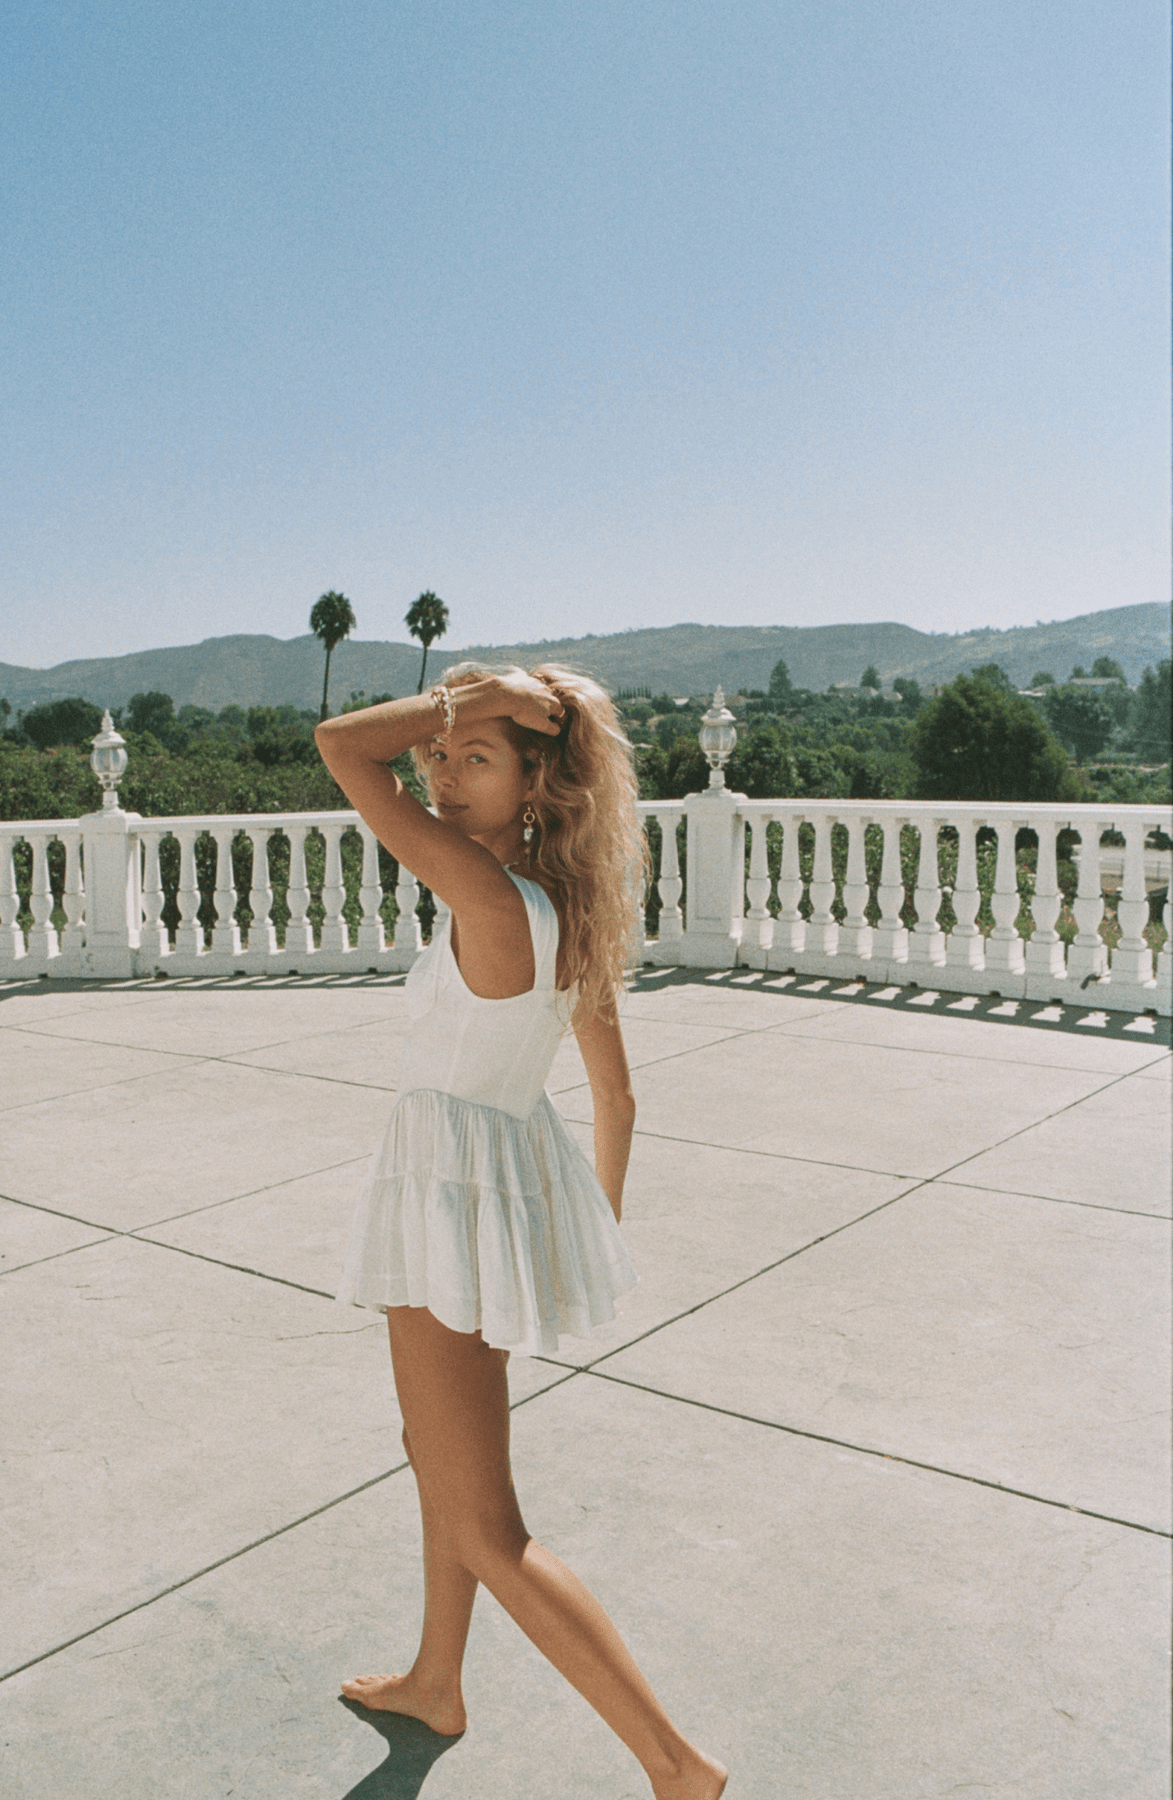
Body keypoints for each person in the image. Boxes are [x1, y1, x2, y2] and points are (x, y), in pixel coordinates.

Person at [315, 665, 728, 1800]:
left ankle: (677, 1765)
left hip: (445, 1209)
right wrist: (578, 1238)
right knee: (437, 1457)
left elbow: (342, 746)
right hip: (484, 1210)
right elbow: (618, 1100)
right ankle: (436, 1680)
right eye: (441, 754)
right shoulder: (562, 909)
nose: (443, 774)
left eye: (477, 756)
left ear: (537, 784)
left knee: (490, 1526)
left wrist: (482, 688)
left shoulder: (490, 899)